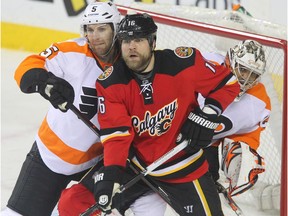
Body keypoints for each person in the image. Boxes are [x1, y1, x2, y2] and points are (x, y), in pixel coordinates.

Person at [92, 13, 240, 216]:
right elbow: (116, 136)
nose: (131, 46)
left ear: (153, 42)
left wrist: (207, 115)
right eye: (126, 40)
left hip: (184, 167)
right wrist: (111, 175)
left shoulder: (183, 64)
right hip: (137, 168)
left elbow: (227, 84)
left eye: (138, 39)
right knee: (76, 202)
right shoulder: (110, 82)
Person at [1, 2, 121, 216]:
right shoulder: (72, 52)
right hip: (52, 155)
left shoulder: (129, 61)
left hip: (96, 163)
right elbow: (27, 66)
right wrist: (46, 83)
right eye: (90, 29)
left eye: (102, 28)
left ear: (116, 28)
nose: (95, 36)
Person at [201, 39, 269, 197]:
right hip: (168, 128)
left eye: (253, 75)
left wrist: (243, 154)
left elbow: (247, 136)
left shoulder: (259, 102)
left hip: (205, 143)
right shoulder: (205, 64)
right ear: (230, 62)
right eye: (243, 70)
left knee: (207, 181)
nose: (246, 79)